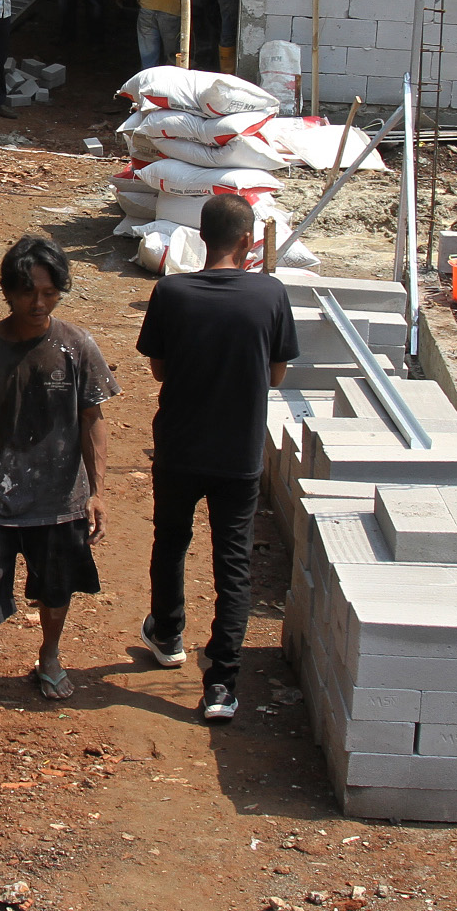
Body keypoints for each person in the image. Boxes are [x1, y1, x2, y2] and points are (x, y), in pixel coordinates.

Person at [0, 234, 117, 733]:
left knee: (56, 590)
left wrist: (97, 491)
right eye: (28, 292)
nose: (38, 304)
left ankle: (49, 657)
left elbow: (91, 418)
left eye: (50, 293)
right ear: (7, 291)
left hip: (60, 499)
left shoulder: (76, 347)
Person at [135, 193, 297, 723]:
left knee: (171, 540)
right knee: (232, 563)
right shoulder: (270, 294)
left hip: (180, 448)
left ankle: (168, 633)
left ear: (201, 237)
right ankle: (222, 684)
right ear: (248, 241)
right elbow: (276, 376)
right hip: (238, 453)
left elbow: (160, 369)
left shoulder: (171, 292)